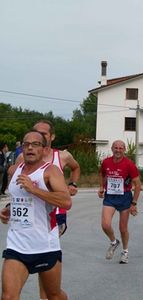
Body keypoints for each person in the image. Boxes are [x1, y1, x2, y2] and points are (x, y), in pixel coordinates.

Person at [0, 130, 72, 300]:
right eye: (26, 144)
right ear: (22, 148)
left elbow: (66, 201)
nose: (30, 148)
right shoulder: (16, 170)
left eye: (36, 144)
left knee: (53, 296)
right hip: (16, 245)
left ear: (44, 149)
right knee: (8, 297)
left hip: (44, 245)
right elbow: (20, 199)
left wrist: (34, 189)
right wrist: (9, 209)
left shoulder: (50, 171)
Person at [14, 119, 80, 300]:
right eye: (35, 133)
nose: (39, 136)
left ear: (51, 137)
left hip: (55, 216)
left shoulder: (63, 156)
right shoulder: (23, 158)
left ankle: (47, 294)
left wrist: (72, 184)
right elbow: (18, 190)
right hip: (29, 218)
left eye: (43, 134)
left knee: (43, 257)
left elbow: (75, 168)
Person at [98, 140, 141, 264]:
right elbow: (102, 174)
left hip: (125, 198)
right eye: (115, 148)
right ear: (112, 149)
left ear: (124, 149)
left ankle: (125, 252)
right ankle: (114, 242)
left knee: (123, 228)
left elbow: (138, 185)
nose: (118, 150)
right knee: (105, 224)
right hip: (110, 197)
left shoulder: (129, 164)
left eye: (120, 148)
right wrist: (101, 187)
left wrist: (134, 203)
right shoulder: (106, 162)